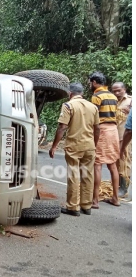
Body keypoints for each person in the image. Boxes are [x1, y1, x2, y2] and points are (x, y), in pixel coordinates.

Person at [49, 83, 100, 216]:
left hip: (74, 146)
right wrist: (94, 144)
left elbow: (62, 127)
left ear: (69, 93)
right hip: (90, 146)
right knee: (88, 175)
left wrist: (54, 146)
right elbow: (97, 128)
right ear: (81, 93)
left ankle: (73, 207)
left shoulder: (68, 105)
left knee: (74, 175)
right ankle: (86, 206)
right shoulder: (93, 106)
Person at [89, 71, 120, 208]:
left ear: (95, 82)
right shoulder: (113, 96)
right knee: (112, 164)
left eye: (91, 82)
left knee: (97, 164)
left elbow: (94, 117)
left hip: (102, 130)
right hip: (113, 131)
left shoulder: (96, 96)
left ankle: (95, 201)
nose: (90, 85)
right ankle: (116, 198)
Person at [112, 82, 132, 197]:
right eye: (114, 91)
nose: (117, 93)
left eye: (119, 90)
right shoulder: (113, 101)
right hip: (114, 136)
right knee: (116, 161)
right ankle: (117, 186)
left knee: (125, 162)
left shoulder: (131, 101)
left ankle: (124, 189)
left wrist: (130, 113)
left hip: (126, 137)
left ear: (124, 89)